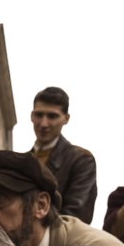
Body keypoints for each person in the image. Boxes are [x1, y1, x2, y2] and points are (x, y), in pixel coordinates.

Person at [28, 87, 97, 223]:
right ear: (31, 116)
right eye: (39, 115)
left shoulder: (81, 160)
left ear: (66, 118)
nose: (43, 123)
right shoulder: (20, 162)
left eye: (52, 116)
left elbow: (75, 219)